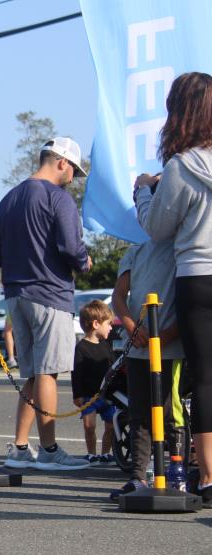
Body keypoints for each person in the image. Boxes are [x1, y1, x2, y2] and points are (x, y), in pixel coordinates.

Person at [0, 136, 92, 471]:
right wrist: (84, 261)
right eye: (74, 170)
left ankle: (20, 448)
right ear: (62, 162)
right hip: (50, 294)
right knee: (48, 372)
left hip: (16, 294)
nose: (73, 178)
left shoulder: (9, 198)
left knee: (33, 373)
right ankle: (49, 451)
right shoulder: (58, 198)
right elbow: (71, 247)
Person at [136, 71, 212, 506]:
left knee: (205, 377)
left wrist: (143, 192)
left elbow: (157, 228)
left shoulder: (181, 167)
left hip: (197, 276)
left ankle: (209, 476)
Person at [109, 239, 185, 500]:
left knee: (171, 412)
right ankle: (138, 476)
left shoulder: (182, 248)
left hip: (171, 349)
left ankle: (177, 476)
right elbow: (119, 295)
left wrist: (168, 335)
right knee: (139, 412)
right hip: (138, 348)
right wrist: (131, 327)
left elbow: (190, 300)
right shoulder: (136, 251)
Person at [71, 300, 116, 465]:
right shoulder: (81, 348)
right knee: (89, 426)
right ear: (96, 324)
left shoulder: (106, 345)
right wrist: (77, 395)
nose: (111, 328)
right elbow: (76, 373)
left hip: (107, 395)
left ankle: (105, 453)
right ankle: (91, 454)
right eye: (108, 324)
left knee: (111, 425)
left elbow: (113, 367)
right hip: (88, 396)